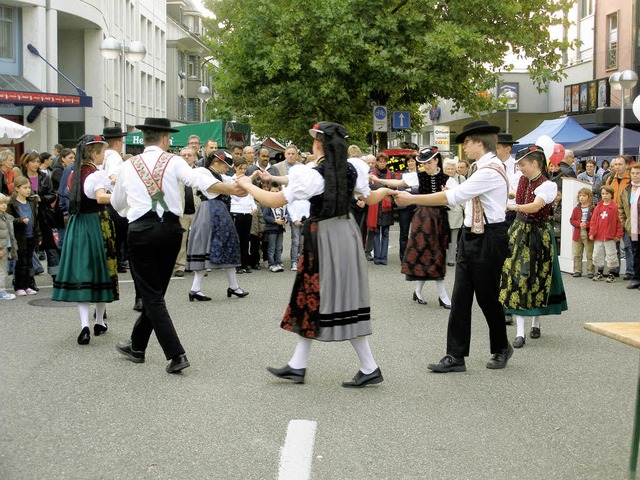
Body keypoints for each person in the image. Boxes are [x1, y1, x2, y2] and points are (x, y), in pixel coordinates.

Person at [236, 121, 395, 387]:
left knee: (324, 297)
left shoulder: (314, 174)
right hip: (346, 234)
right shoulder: (351, 169)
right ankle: (300, 364)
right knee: (319, 298)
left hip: (324, 237)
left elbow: (275, 201)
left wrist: (246, 184)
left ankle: (368, 366)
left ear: (319, 143)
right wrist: (388, 190)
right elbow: (369, 198)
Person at [111, 117, 246, 374]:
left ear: (145, 138)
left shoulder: (129, 166)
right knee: (156, 295)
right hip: (171, 231)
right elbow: (199, 181)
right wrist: (230, 188)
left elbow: (117, 205)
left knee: (152, 296)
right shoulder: (174, 161)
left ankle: (176, 354)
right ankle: (137, 346)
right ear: (164, 139)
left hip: (141, 231)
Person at [396, 120, 513, 372]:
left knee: (487, 298)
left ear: (479, 143)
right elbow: (463, 197)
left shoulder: (489, 170)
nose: (464, 149)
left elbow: (454, 197)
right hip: (472, 235)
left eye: (467, 143)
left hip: (489, 237)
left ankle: (502, 347)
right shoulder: (479, 168)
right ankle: (455, 356)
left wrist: (412, 198)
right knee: (460, 297)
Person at [51, 134, 119, 344]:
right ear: (94, 153)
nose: (103, 156)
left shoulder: (73, 172)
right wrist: (121, 196)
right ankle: (98, 320)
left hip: (76, 224)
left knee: (82, 271)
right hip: (95, 223)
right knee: (101, 272)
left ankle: (85, 325)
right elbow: (100, 197)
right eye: (101, 152)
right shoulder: (94, 174)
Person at [499, 145, 568, 348]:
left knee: (538, 278)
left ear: (535, 163)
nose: (520, 168)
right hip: (519, 230)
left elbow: (536, 205)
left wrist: (513, 206)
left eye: (523, 164)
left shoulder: (548, 185)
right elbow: (515, 193)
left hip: (538, 233)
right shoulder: (521, 179)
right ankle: (520, 332)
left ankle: (536, 322)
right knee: (517, 278)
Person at [371, 147, 453, 308]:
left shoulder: (448, 179)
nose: (426, 166)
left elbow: (458, 196)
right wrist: (378, 180)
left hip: (439, 219)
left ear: (437, 160)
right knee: (429, 254)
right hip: (423, 218)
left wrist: (450, 192)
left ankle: (418, 291)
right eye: (423, 163)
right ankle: (442, 295)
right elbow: (398, 182)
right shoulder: (418, 176)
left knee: (436, 254)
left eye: (429, 162)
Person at [185, 149, 249, 301]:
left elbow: (233, 183)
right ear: (215, 162)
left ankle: (232, 286)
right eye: (225, 165)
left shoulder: (220, 176)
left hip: (220, 211)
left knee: (228, 244)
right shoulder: (202, 172)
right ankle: (196, 288)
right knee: (205, 246)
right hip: (209, 210)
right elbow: (222, 187)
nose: (227, 168)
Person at [7, 176, 40, 296]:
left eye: (29, 188)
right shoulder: (12, 203)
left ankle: (28, 285)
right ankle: (19, 286)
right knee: (21, 263)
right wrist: (20, 220)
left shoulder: (31, 202)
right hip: (19, 237)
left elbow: (36, 220)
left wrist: (39, 236)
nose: (28, 190)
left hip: (31, 235)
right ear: (17, 188)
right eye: (25, 188)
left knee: (29, 262)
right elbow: (9, 219)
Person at [173, 147, 200, 277]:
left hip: (197, 210)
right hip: (182, 212)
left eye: (189, 155)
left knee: (197, 239)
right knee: (181, 240)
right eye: (184, 155)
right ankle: (180, 266)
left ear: (195, 157)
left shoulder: (200, 172)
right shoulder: (175, 173)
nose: (187, 157)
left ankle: (196, 266)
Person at [605, 155, 633, 280]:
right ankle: (615, 269)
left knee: (628, 245)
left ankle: (630, 271)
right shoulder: (610, 179)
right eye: (616, 164)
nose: (617, 167)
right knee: (613, 245)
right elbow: (605, 196)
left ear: (627, 165)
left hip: (627, 217)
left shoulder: (631, 179)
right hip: (612, 217)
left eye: (620, 164)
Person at [589, 185, 623, 282]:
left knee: (611, 255)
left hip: (610, 236)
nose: (605, 196)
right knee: (597, 254)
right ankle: (599, 272)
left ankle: (611, 273)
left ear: (611, 195)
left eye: (607, 194)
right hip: (598, 236)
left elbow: (618, 222)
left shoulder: (614, 207)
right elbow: (593, 221)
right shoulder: (598, 207)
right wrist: (592, 233)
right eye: (603, 194)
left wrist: (618, 235)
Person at [368, 152, 395, 265]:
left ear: (386, 162)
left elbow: (393, 187)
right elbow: (369, 187)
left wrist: (379, 186)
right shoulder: (371, 173)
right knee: (375, 233)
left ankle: (383, 258)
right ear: (377, 162)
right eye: (380, 161)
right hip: (375, 205)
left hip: (386, 208)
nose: (382, 163)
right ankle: (377, 257)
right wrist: (384, 187)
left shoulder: (392, 175)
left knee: (385, 233)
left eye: (384, 161)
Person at [230, 156, 255, 274]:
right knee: (238, 239)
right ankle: (237, 264)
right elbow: (234, 196)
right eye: (241, 169)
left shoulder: (247, 180)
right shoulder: (231, 180)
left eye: (245, 169)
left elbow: (251, 195)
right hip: (237, 211)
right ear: (235, 168)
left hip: (247, 212)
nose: (243, 171)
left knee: (246, 239)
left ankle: (245, 263)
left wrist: (253, 207)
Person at [618, 163, 640, 289]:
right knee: (635, 252)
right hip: (632, 227)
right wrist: (624, 222)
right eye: (633, 173)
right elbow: (621, 208)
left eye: (638, 173)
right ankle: (636, 278)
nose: (635, 176)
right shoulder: (626, 191)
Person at [442, 157, 465, 266]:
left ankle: (451, 259)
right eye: (448, 169)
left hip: (455, 211)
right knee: (442, 236)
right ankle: (441, 257)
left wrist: (462, 207)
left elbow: (465, 195)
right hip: (443, 210)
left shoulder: (461, 179)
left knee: (453, 237)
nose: (450, 171)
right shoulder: (441, 178)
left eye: (452, 169)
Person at [570, 187, 595, 278]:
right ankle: (577, 270)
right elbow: (572, 220)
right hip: (578, 234)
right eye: (580, 196)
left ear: (589, 197)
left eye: (584, 196)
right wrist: (579, 224)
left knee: (590, 253)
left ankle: (590, 271)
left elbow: (594, 221)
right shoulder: (576, 209)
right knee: (577, 253)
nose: (581, 198)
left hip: (588, 234)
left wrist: (587, 224)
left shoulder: (592, 209)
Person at [263, 182, 286, 272]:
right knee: (271, 247)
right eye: (272, 191)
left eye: (277, 191)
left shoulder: (281, 204)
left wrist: (285, 220)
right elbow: (265, 216)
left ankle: (278, 262)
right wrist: (275, 220)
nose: (275, 193)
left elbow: (286, 213)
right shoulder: (268, 204)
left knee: (279, 247)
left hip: (280, 229)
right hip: (271, 229)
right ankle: (271, 263)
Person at [0, 193, 17, 300]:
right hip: (2, 248)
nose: (4, 205)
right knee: (2, 271)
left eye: (5, 203)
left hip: (6, 246)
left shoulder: (5, 217)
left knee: (3, 269)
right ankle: (2, 291)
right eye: (1, 203)